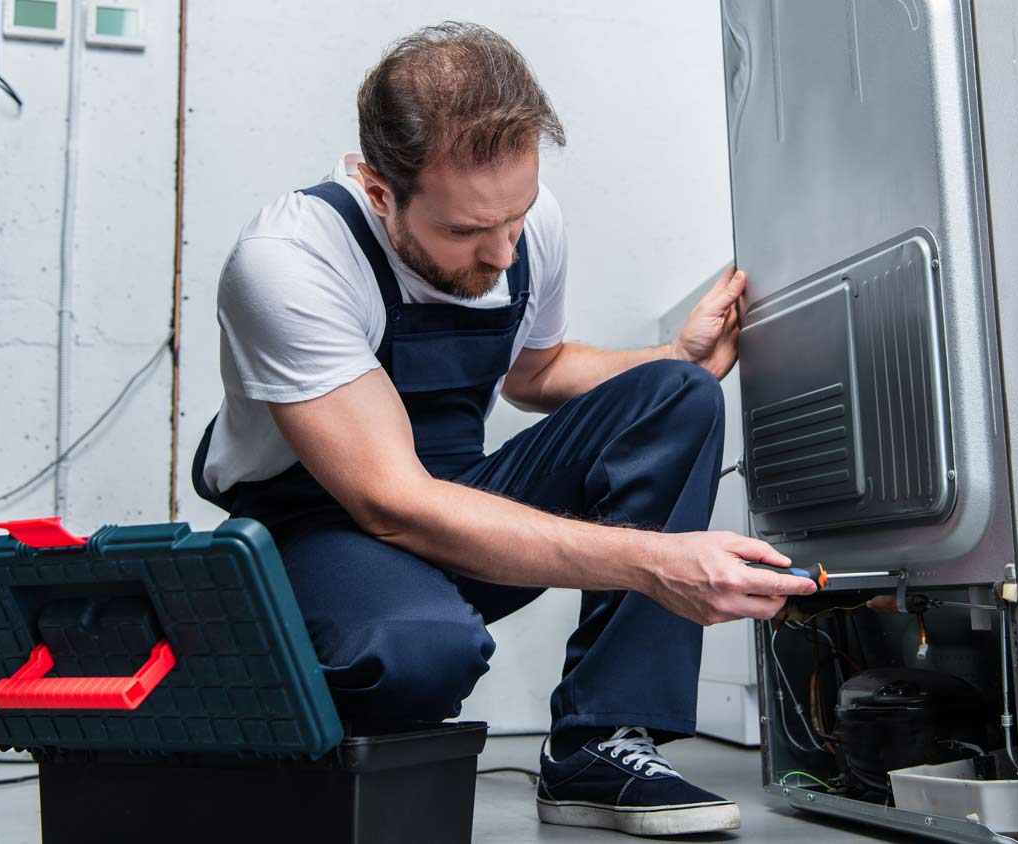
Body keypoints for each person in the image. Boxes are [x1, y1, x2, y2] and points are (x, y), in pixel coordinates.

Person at [191, 22, 814, 837]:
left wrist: (673, 354)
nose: (501, 250)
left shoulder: (523, 223)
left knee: (679, 394)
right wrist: (654, 562)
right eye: (464, 232)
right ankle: (275, 688)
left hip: (451, 500)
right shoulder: (289, 262)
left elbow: (535, 373)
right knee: (422, 655)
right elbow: (391, 504)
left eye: (515, 217)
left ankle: (598, 742)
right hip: (320, 530)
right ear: (381, 190)